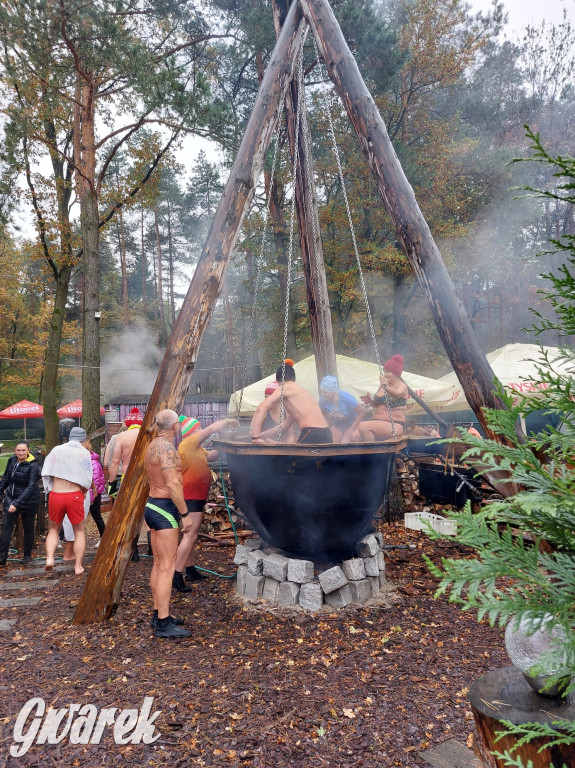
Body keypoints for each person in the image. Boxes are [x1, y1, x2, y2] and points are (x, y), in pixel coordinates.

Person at [172, 416, 239, 591]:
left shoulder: (196, 447)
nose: (201, 430)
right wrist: (226, 421)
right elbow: (209, 431)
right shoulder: (189, 442)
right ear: (192, 431)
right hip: (191, 495)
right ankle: (176, 575)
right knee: (190, 534)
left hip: (195, 495)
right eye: (198, 428)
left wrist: (223, 444)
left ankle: (190, 569)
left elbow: (211, 458)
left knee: (190, 534)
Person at [144, 409, 192, 638]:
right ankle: (163, 623)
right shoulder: (166, 449)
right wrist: (185, 514)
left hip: (153, 505)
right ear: (175, 426)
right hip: (165, 509)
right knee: (166, 567)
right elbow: (173, 485)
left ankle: (159, 613)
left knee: (158, 564)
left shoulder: (152, 445)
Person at [42, 427, 92, 574]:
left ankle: (50, 558)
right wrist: (84, 490)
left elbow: (46, 470)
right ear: (83, 440)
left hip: (56, 494)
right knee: (79, 531)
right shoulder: (83, 452)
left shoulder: (57, 450)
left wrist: (49, 489)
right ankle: (77, 566)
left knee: (53, 529)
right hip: (73, 494)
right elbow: (87, 476)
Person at [251, 360, 332, 445]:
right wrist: (265, 434)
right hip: (326, 433)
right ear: (293, 378)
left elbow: (261, 408)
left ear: (279, 382)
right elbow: (287, 424)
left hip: (312, 432)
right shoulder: (302, 392)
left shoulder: (284, 387)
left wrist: (256, 438)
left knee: (293, 458)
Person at [109, 407, 144, 560]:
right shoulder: (147, 436)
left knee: (129, 514)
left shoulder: (121, 437)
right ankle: (152, 550)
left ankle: (133, 551)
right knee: (145, 512)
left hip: (127, 478)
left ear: (128, 423)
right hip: (145, 477)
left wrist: (111, 483)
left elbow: (115, 461)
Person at [0, 441, 41, 565]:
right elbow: (6, 477)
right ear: (15, 451)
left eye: (23, 450)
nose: (21, 453)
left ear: (28, 450)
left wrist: (16, 504)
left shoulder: (33, 466)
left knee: (28, 527)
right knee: (7, 526)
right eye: (18, 450)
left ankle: (27, 555)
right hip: (12, 496)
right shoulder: (12, 460)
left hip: (29, 500)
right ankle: (2, 556)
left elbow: (30, 486)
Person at [353, 354, 408, 441]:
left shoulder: (402, 385)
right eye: (384, 371)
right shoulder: (382, 385)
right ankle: (365, 452)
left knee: (363, 426)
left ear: (396, 373)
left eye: (388, 372)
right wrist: (371, 402)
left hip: (394, 424)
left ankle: (374, 453)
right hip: (377, 422)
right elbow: (381, 404)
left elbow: (397, 394)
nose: (385, 374)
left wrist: (386, 387)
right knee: (353, 436)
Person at [318, 375, 366, 443]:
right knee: (332, 442)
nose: (323, 394)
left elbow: (362, 412)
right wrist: (329, 426)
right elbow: (322, 414)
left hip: (353, 424)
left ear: (333, 392)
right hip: (338, 427)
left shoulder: (346, 398)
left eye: (325, 392)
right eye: (322, 391)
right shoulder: (323, 399)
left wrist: (351, 429)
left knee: (346, 442)